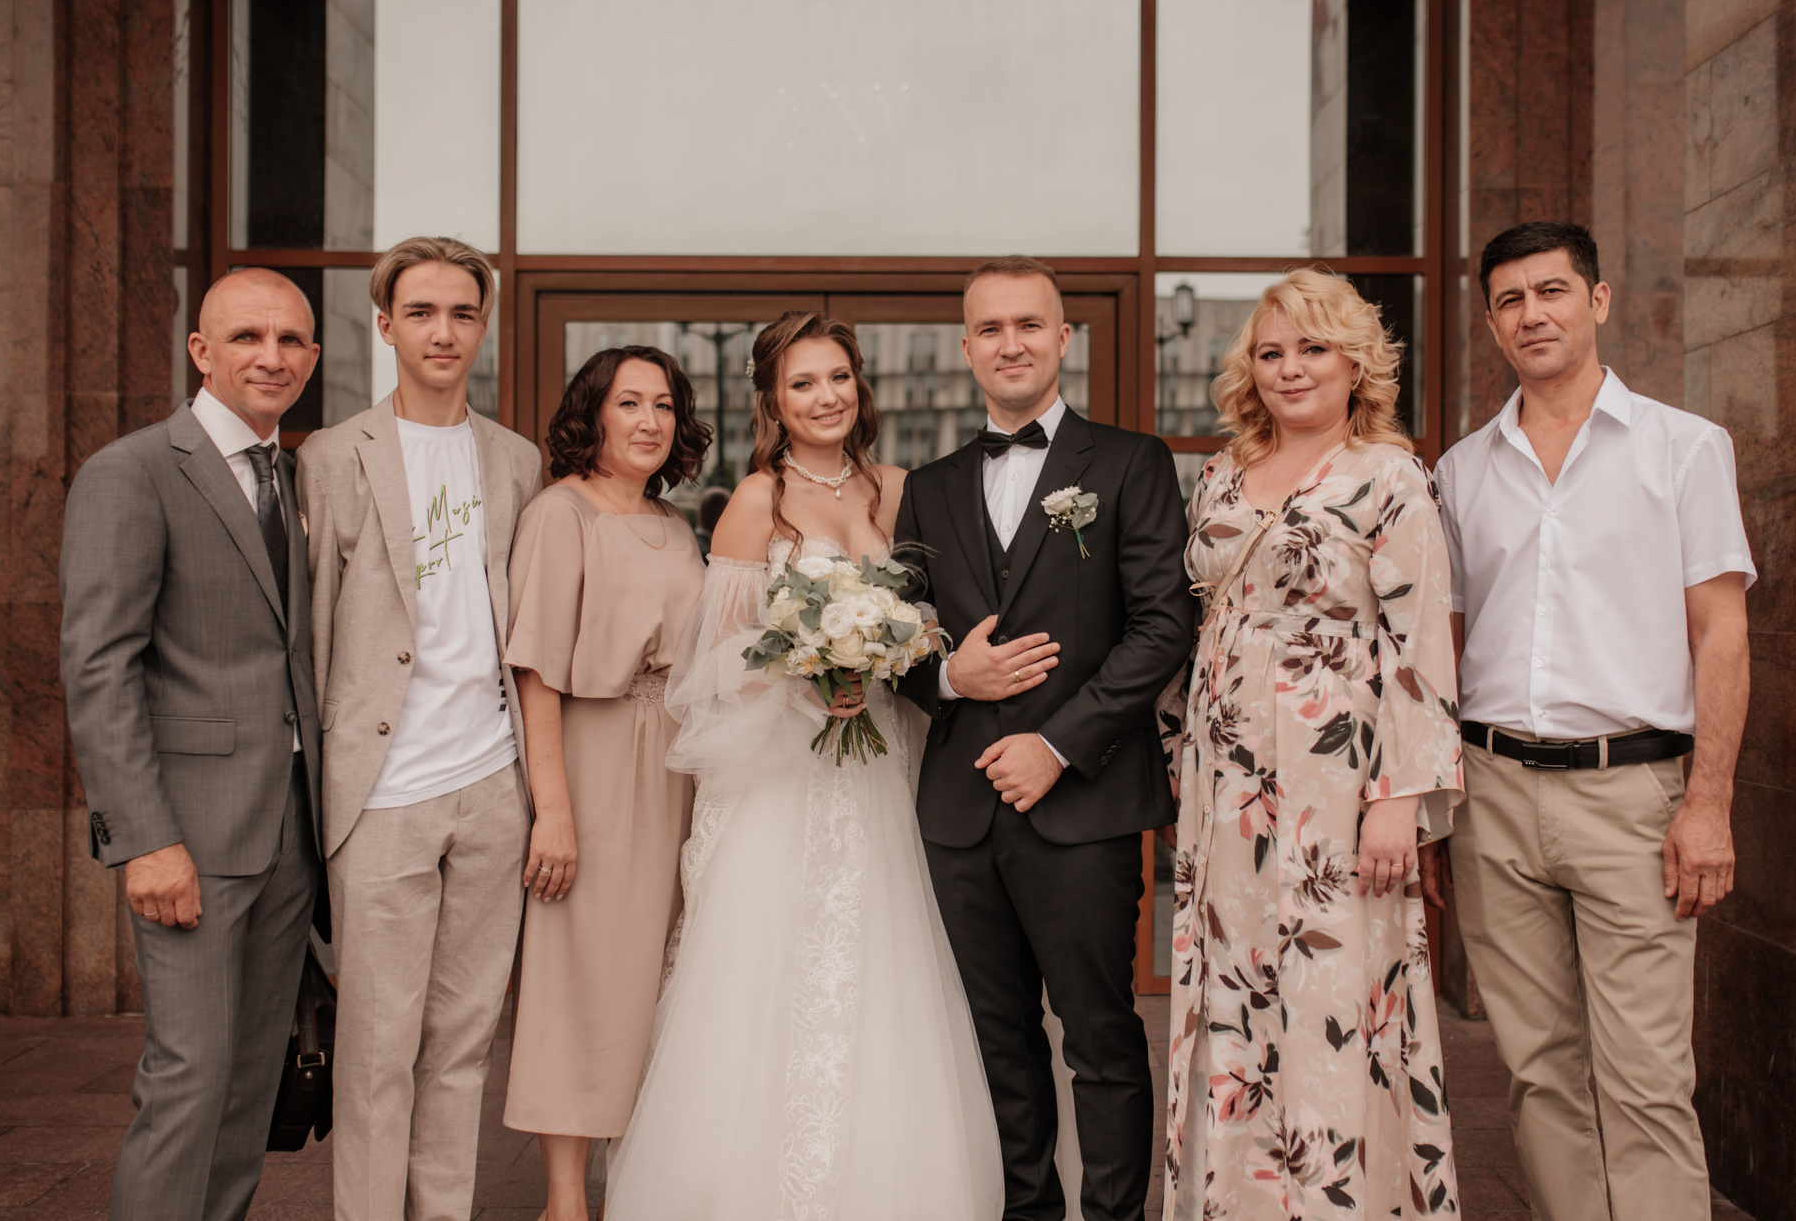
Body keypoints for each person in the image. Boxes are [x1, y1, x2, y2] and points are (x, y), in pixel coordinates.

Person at [604, 311, 1003, 1219]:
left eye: (838, 378)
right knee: (771, 971)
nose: (826, 398)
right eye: (803, 384)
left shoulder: (900, 490)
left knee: (886, 966)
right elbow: (716, 663)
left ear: (860, 386)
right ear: (774, 402)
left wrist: (895, 652)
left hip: (885, 767)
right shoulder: (758, 501)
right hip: (787, 773)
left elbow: (935, 624)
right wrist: (807, 671)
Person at [1430, 221, 1753, 1221]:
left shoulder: (1684, 448)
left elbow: (1723, 635)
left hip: (1634, 796)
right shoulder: (1460, 471)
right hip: (1493, 794)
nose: (1533, 314)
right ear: (1491, 324)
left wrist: (1709, 804)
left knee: (1647, 1076)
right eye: (1510, 300)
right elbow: (1444, 649)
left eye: (1552, 291)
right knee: (1538, 1072)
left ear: (1598, 301)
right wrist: (1438, 806)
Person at [893, 256, 1195, 1221]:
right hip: (958, 814)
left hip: (1084, 804)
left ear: (1064, 338)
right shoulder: (929, 486)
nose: (1010, 343)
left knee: (1101, 1038)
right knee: (998, 1042)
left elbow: (1163, 626)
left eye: (1029, 324)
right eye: (990, 328)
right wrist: (951, 677)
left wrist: (1056, 746)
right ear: (967, 347)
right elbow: (901, 640)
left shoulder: (1131, 462)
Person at [1161, 269, 1464, 1219]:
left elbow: (1420, 643)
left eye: (1313, 348)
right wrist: (1175, 761)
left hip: (1340, 778)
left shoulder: (1390, 476)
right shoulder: (1220, 473)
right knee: (1235, 989)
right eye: (1271, 352)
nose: (1290, 368)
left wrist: (1399, 797)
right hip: (1225, 784)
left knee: (1332, 989)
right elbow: (1194, 627)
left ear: (1356, 363)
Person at [60, 268, 326, 1221]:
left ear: (314, 358)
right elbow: (100, 666)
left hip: (290, 831)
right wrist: (144, 838)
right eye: (247, 337)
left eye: (290, 339)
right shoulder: (132, 472)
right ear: (201, 351)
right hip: (191, 837)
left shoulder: (296, 476)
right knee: (189, 1075)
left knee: (249, 1083)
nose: (272, 356)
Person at [297, 236, 544, 1221]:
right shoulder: (331, 456)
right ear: (386, 325)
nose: (444, 332)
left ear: (483, 327)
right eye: (423, 313)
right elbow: (312, 636)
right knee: (375, 1052)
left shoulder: (516, 461)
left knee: (463, 1045)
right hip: (381, 793)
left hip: (492, 786)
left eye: (462, 314)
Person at [501, 346, 710, 1220]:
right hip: (593, 758)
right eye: (629, 402)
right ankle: (564, 1201)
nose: (650, 421)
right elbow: (535, 672)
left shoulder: (677, 523)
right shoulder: (560, 513)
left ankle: (638, 1184)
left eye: (664, 405)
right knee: (581, 973)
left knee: (658, 975)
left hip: (677, 761)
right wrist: (553, 810)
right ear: (592, 414)